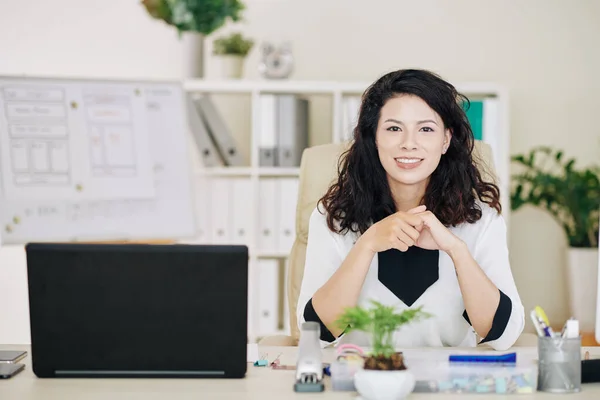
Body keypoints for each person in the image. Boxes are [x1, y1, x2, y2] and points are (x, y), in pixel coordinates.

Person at [296, 69, 524, 350]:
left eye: (426, 129)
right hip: (361, 382)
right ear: (374, 138)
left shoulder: (481, 219)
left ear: (445, 140)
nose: (409, 143)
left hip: (448, 387)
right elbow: (315, 334)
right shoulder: (334, 218)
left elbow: (503, 336)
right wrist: (366, 245)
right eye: (394, 128)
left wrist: (456, 250)